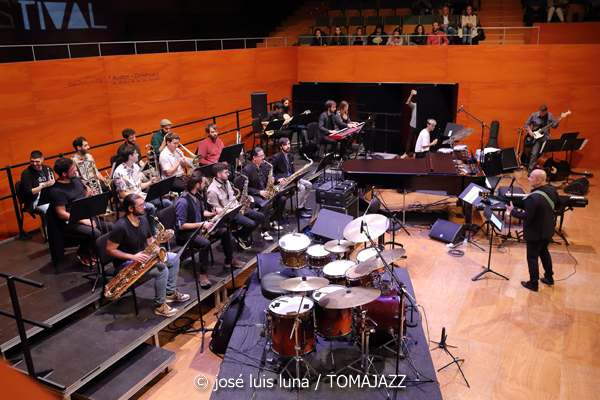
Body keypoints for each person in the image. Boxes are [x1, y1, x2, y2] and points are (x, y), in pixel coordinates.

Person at [106, 193, 190, 317]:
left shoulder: (144, 220)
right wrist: (132, 257)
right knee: (162, 270)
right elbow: (110, 250)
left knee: (173, 259)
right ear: (130, 208)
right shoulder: (120, 226)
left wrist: (158, 253)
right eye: (140, 205)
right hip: (126, 263)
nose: (144, 207)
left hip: (143, 257)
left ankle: (170, 293)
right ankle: (160, 306)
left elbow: (150, 242)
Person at [174, 171, 245, 288]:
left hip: (199, 228)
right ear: (197, 185)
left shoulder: (197, 196)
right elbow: (181, 225)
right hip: (185, 234)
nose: (205, 185)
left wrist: (214, 214)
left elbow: (202, 212)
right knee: (205, 243)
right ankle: (203, 273)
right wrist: (202, 224)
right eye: (203, 183)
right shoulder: (183, 201)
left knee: (224, 231)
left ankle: (229, 259)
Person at [49, 157, 113, 266]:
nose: (75, 170)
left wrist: (89, 194)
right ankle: (84, 251)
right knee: (95, 232)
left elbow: (85, 188)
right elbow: (62, 214)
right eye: (72, 169)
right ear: (64, 174)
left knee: (111, 227)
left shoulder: (76, 180)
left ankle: (93, 248)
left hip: (86, 214)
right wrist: (82, 220)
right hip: (71, 221)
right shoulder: (56, 190)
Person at [506, 169, 562, 292]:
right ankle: (549, 278)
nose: (528, 179)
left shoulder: (533, 198)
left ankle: (533, 283)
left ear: (538, 181)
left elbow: (527, 216)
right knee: (544, 252)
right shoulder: (552, 190)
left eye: (530, 177)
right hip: (548, 230)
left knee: (532, 258)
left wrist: (512, 211)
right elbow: (559, 204)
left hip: (535, 233)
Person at [207, 163, 265, 250]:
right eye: (226, 172)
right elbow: (218, 212)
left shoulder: (226, 182)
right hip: (228, 214)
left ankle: (240, 234)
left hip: (235, 209)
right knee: (251, 223)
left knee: (261, 216)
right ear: (219, 175)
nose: (228, 174)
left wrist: (238, 205)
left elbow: (232, 197)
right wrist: (234, 209)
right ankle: (241, 236)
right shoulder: (212, 191)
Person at [113, 146, 170, 235]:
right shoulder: (119, 173)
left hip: (141, 195)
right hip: (130, 200)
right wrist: (139, 197)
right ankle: (152, 233)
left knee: (166, 202)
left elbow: (140, 186)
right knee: (150, 207)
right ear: (130, 157)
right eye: (136, 153)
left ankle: (155, 224)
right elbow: (122, 194)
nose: (138, 155)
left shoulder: (135, 166)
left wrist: (150, 182)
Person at [241, 148, 285, 233]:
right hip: (255, 194)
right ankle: (264, 230)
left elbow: (270, 176)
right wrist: (259, 192)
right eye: (261, 156)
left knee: (282, 199)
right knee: (265, 204)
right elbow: (245, 188)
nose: (263, 158)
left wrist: (275, 180)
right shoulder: (247, 170)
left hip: (266, 191)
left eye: (263, 155)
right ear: (254, 157)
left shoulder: (264, 165)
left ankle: (273, 220)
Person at [270, 138, 313, 219]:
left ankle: (301, 204)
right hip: (284, 181)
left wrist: (297, 173)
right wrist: (277, 179)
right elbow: (269, 172)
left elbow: (292, 169)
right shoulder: (276, 157)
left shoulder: (290, 156)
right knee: (302, 188)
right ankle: (299, 209)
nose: (288, 146)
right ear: (281, 147)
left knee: (309, 185)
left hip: (292, 178)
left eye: (289, 144)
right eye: (285, 145)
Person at [524, 105, 563, 176]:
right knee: (534, 153)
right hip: (536, 138)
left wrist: (557, 122)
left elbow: (554, 127)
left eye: (543, 113)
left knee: (543, 155)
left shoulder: (550, 116)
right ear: (539, 111)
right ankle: (531, 170)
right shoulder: (533, 115)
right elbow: (526, 124)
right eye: (540, 112)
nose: (541, 114)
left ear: (546, 112)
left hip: (545, 138)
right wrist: (529, 131)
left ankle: (540, 171)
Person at [20, 150, 55, 216]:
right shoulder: (26, 173)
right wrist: (44, 186)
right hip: (36, 201)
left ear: (42, 160)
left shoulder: (48, 169)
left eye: (37, 161)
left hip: (49, 197)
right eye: (32, 161)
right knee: (52, 210)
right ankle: (46, 225)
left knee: (64, 204)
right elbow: (29, 192)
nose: (34, 164)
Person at [401, 90, 418, 158]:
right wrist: (411, 95)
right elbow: (408, 102)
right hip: (413, 125)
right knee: (409, 140)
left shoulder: (423, 107)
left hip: (419, 126)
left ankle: (416, 153)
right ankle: (406, 153)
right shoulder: (414, 105)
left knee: (418, 140)